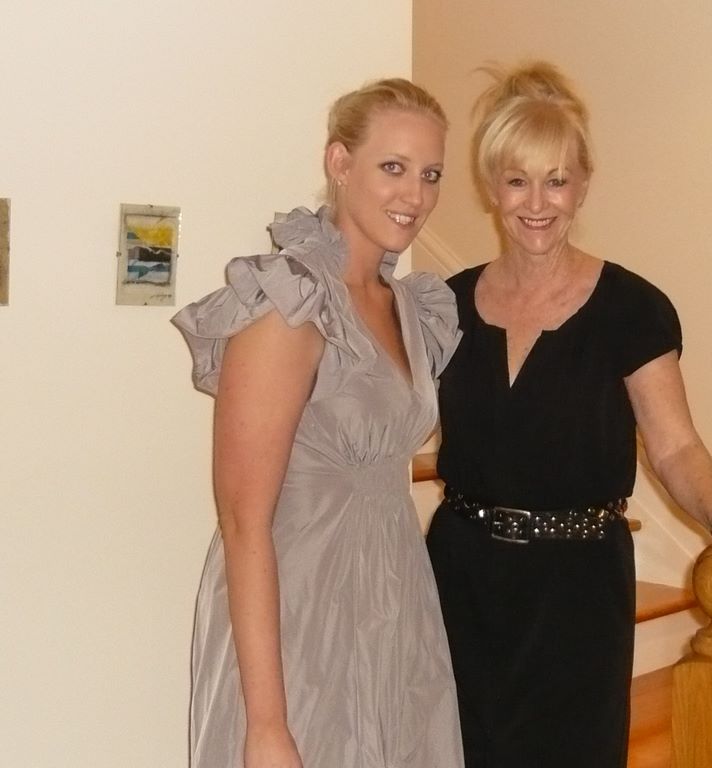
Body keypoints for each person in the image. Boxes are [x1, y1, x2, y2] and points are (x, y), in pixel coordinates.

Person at [425, 61, 712, 768]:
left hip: (578, 587)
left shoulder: (631, 308)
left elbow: (675, 446)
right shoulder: (446, 305)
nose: (538, 203)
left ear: (584, 184)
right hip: (459, 578)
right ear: (491, 187)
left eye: (557, 180)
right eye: (517, 180)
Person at [172, 78, 464, 768]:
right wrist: (268, 725)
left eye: (430, 175)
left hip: (395, 600)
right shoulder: (290, 303)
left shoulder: (409, 305)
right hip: (298, 620)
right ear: (340, 162)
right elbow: (243, 521)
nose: (415, 195)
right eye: (393, 167)